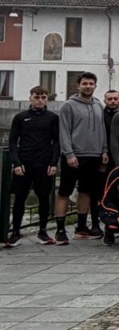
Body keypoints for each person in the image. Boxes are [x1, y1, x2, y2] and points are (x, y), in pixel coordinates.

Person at [55, 72, 109, 245]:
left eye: (91, 83)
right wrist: (69, 153)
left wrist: (104, 150)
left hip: (93, 155)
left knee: (85, 191)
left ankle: (80, 227)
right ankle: (60, 230)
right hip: (74, 156)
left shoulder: (98, 105)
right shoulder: (68, 106)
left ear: (95, 85)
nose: (88, 86)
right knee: (64, 191)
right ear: (78, 85)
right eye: (84, 83)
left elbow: (102, 129)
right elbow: (63, 131)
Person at [6, 86, 59, 247]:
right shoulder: (20, 117)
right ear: (30, 98)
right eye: (37, 97)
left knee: (44, 198)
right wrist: (16, 163)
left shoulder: (52, 118)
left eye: (43, 97)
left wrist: (53, 163)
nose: (40, 100)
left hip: (44, 164)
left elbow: (57, 142)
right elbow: (13, 141)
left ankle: (42, 231)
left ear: (47, 99)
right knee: (20, 198)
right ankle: (15, 232)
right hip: (24, 163)